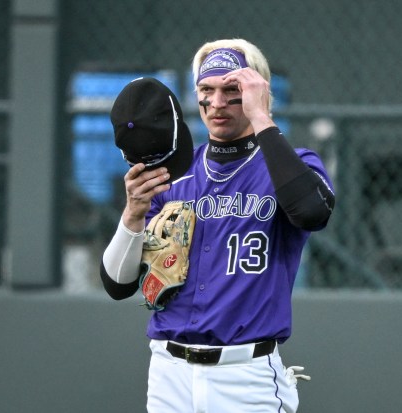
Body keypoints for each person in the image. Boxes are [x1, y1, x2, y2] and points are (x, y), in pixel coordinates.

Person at [100, 38, 335, 413]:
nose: (218, 102)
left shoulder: (293, 166)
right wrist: (132, 214)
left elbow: (312, 212)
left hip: (247, 376)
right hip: (169, 373)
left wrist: (262, 118)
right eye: (207, 90)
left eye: (233, 89)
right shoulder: (174, 174)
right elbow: (117, 284)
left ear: (258, 92)